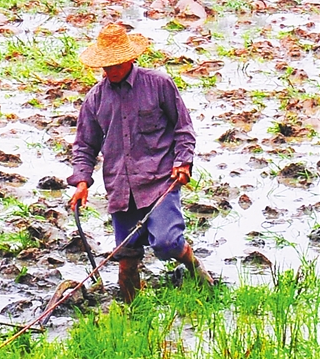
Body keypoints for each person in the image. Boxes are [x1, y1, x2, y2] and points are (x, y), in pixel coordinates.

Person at [67, 22, 213, 303]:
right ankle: (135, 311)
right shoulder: (95, 99)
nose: (110, 71)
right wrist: (81, 181)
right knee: (126, 253)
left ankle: (194, 267)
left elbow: (183, 128)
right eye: (105, 66)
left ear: (130, 59)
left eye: (115, 65)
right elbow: (85, 145)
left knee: (167, 242)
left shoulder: (158, 85)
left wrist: (183, 162)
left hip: (159, 180)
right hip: (120, 187)